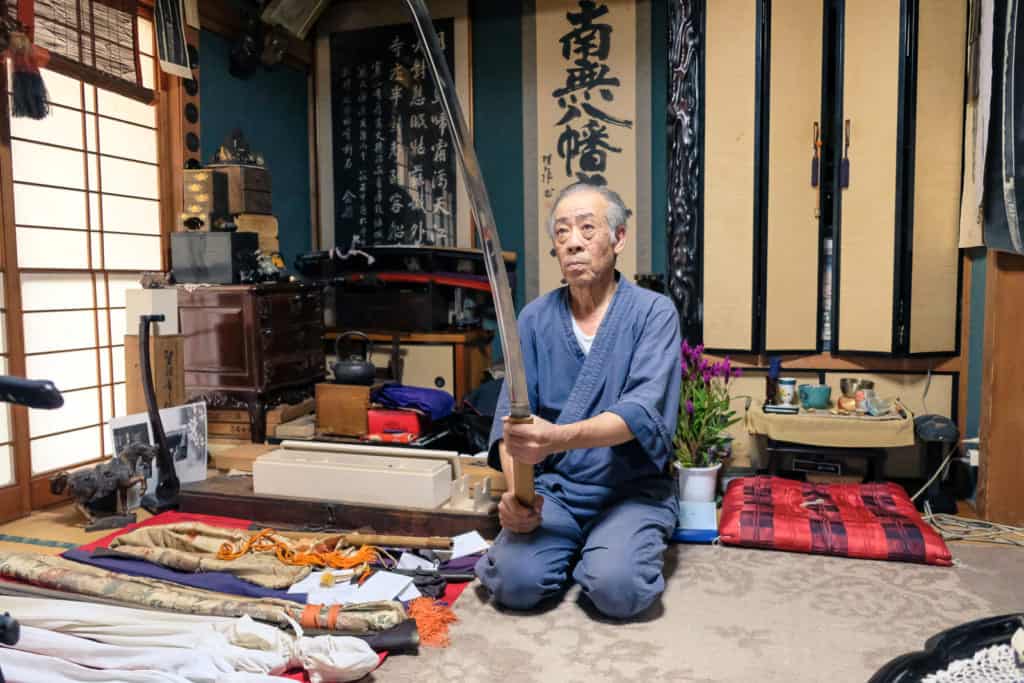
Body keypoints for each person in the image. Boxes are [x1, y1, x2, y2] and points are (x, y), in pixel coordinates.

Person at [475, 182, 682, 619]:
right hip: (558, 493)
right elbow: (511, 430)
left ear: (618, 238)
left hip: (630, 491)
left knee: (618, 589)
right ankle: (580, 547)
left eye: (588, 229)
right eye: (563, 232)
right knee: (513, 583)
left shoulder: (653, 313)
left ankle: (609, 548)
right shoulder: (533, 319)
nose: (573, 242)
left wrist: (555, 439)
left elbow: (640, 414)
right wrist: (519, 496)